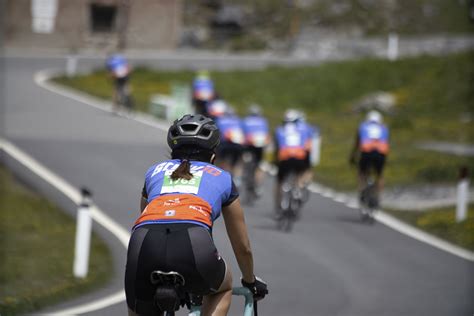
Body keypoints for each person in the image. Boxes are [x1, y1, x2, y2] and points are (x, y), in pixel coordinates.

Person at [125, 114, 267, 316]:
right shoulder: (223, 177)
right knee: (223, 287)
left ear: (172, 152)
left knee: (139, 306)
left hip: (144, 242)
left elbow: (147, 214)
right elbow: (242, 246)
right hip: (193, 244)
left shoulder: (154, 171)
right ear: (213, 155)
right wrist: (250, 281)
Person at [273, 109, 312, 212]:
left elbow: (277, 148)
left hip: (285, 158)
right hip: (300, 157)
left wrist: (275, 162)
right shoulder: (304, 129)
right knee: (302, 173)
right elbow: (308, 147)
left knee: (280, 182)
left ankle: (278, 206)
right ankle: (298, 189)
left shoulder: (280, 129)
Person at [349, 110, 389, 206]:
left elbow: (357, 143)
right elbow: (386, 142)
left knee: (362, 173)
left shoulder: (363, 126)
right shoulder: (384, 128)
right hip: (380, 153)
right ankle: (378, 197)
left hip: (366, 152)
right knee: (379, 175)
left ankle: (362, 190)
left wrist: (353, 156)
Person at [241, 104, 270, 196]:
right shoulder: (264, 121)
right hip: (260, 146)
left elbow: (242, 134)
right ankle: (258, 185)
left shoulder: (245, 120)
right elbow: (266, 134)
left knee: (244, 162)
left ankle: (241, 177)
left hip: (248, 146)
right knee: (259, 165)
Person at [214, 107, 245, 183]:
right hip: (237, 145)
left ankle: (223, 177)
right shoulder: (238, 120)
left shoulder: (220, 120)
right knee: (237, 162)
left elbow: (217, 132)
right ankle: (237, 179)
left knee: (222, 161)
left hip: (224, 144)